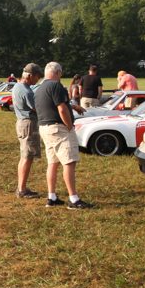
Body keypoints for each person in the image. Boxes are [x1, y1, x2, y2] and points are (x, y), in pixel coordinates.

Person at [34, 62, 92, 209]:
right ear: (58, 73)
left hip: (45, 128)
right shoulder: (56, 86)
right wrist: (69, 126)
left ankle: (51, 196)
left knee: (52, 163)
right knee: (69, 162)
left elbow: (51, 105)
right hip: (59, 129)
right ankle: (73, 199)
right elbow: (61, 109)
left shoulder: (39, 89)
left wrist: (72, 106)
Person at [13, 63, 44, 198]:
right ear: (30, 76)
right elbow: (37, 108)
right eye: (37, 77)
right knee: (27, 156)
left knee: (24, 156)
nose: (37, 80)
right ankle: (22, 189)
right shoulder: (26, 91)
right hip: (28, 124)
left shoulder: (17, 86)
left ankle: (21, 186)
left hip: (22, 123)